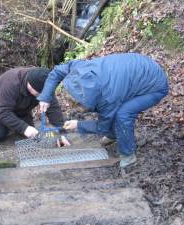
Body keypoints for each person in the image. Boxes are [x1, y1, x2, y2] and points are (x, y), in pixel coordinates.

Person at [37, 53, 168, 168]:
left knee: (123, 115)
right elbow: (57, 72)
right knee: (113, 114)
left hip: (154, 85)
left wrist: (79, 125)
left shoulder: (108, 98)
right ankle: (114, 135)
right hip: (137, 68)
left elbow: (102, 126)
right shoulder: (79, 69)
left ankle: (128, 155)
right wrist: (46, 96)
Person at [0, 67, 64, 142]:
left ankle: (16, 119)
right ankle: (2, 124)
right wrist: (24, 128)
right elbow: (3, 112)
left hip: (22, 107)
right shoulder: (11, 82)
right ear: (30, 86)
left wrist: (61, 132)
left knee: (30, 135)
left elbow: (53, 108)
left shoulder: (44, 81)